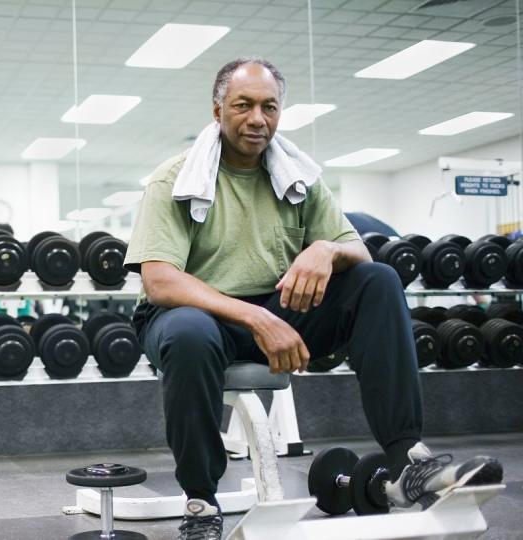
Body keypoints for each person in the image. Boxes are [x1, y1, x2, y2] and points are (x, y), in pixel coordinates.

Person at [123, 58, 503, 540]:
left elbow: (358, 250)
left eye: (269, 107)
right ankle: (201, 499)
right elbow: (160, 280)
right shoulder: (175, 178)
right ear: (218, 110)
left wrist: (325, 249)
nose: (257, 119)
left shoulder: (298, 176)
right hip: (190, 315)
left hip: (275, 308)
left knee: (379, 279)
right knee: (189, 331)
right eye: (243, 105)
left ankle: (407, 462)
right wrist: (256, 317)